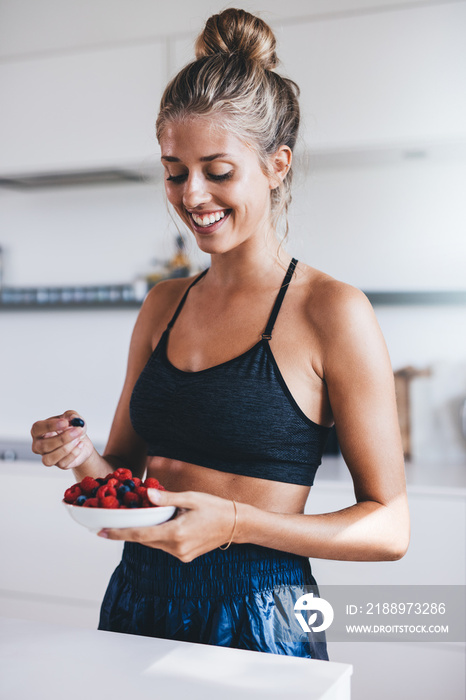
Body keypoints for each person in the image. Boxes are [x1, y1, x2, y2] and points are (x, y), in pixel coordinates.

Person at [31, 8, 409, 660]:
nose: (192, 194)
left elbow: (390, 527)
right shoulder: (163, 305)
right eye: (175, 172)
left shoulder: (331, 311)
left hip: (262, 611)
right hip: (136, 598)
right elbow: (124, 475)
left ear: (277, 165)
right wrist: (78, 455)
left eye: (218, 170)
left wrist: (235, 523)